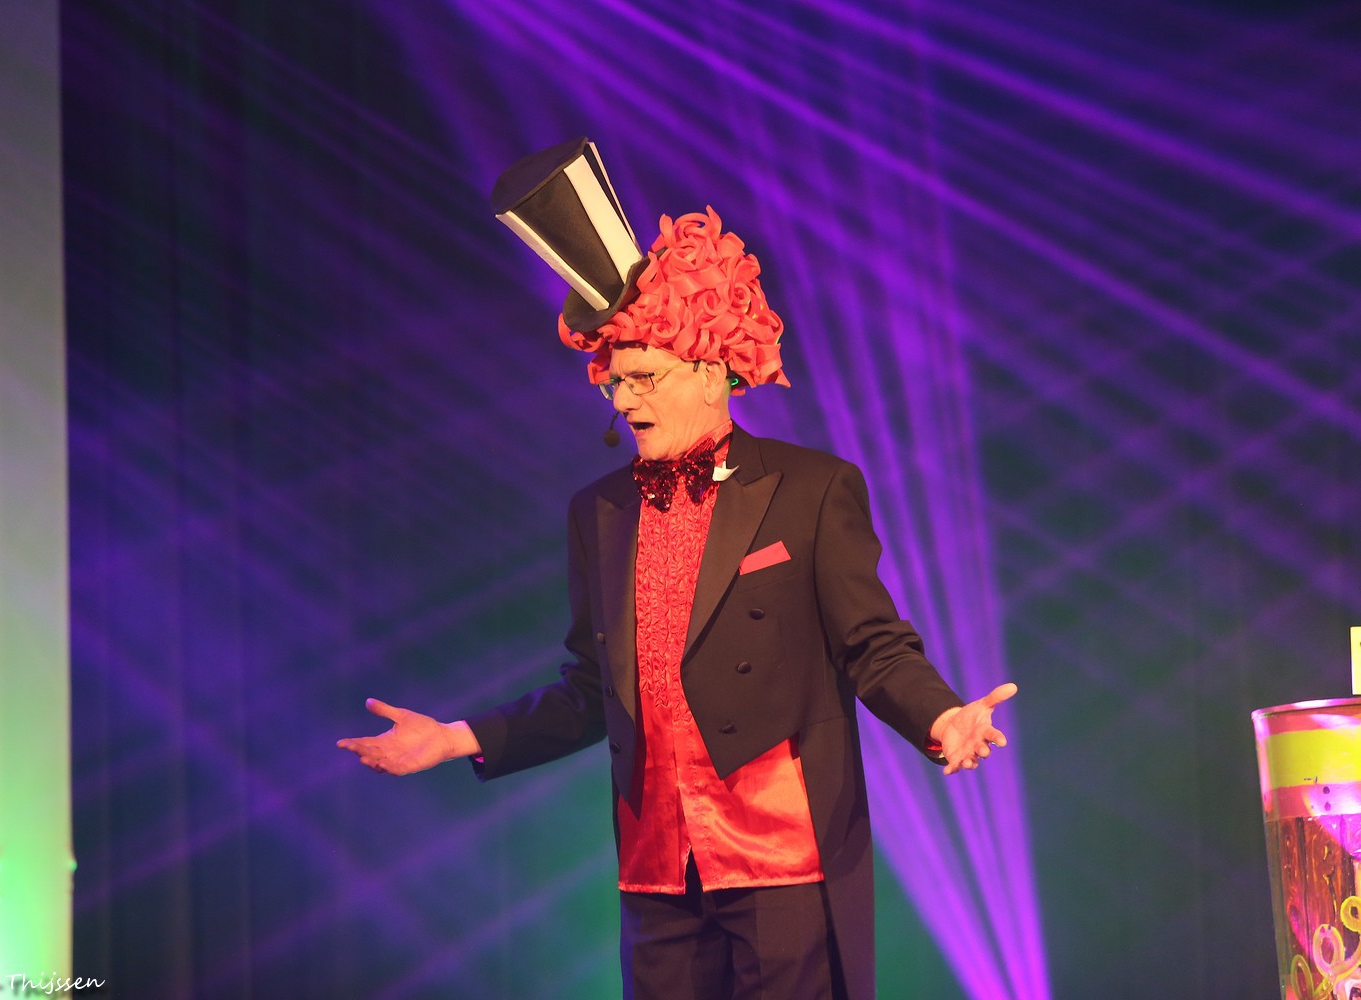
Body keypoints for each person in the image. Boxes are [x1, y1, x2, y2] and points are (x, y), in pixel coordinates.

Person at [338, 139, 1016, 1000]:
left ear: (710, 373)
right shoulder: (599, 510)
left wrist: (942, 715)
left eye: (644, 378)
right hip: (659, 862)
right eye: (614, 383)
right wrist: (457, 738)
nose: (625, 400)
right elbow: (593, 691)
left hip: (780, 852)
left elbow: (872, 644)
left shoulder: (810, 489)